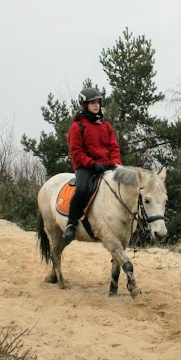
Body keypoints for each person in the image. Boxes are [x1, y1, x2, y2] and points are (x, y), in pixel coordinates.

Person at [62, 87, 122, 243]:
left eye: (98, 102)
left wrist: (116, 163)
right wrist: (92, 164)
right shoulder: (77, 127)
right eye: (92, 103)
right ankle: (71, 224)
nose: (96, 105)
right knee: (81, 189)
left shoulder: (106, 126)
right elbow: (76, 152)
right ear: (85, 104)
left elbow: (114, 147)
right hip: (85, 167)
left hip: (107, 166)